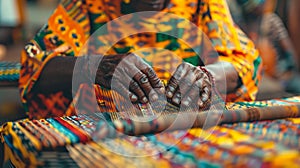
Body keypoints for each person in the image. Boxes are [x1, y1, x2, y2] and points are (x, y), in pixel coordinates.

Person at [20, 0, 262, 119]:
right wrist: (94, 66)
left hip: (185, 129)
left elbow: (244, 62)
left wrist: (207, 77)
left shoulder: (202, 2)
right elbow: (33, 67)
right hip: (103, 134)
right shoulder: (87, 4)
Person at [231, 0, 300, 94]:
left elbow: (290, 55)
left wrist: (286, 74)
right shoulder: (240, 25)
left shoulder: (271, 21)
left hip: (278, 76)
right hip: (256, 78)